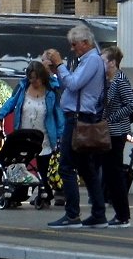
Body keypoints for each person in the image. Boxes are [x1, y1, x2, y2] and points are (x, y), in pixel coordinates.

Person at [45, 24, 107, 228]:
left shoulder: (91, 60)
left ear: (85, 43)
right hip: (81, 117)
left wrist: (59, 64)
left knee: (66, 166)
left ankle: (72, 215)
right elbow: (71, 85)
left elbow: (73, 84)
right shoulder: (88, 60)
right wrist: (57, 70)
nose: (72, 48)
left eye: (74, 44)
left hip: (78, 119)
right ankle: (98, 214)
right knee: (86, 168)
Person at [0, 59, 61, 202]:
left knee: (44, 169)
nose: (34, 83)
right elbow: (11, 102)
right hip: (23, 136)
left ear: (43, 78)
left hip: (44, 137)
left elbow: (58, 114)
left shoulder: (51, 92)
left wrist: (60, 135)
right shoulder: (22, 88)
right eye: (31, 79)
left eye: (36, 80)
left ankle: (45, 195)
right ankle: (17, 195)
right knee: (20, 167)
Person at [99, 46, 133, 227]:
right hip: (108, 132)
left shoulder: (120, 80)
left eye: (103, 61)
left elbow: (131, 105)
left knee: (113, 173)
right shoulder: (107, 80)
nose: (100, 64)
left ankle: (122, 215)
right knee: (109, 172)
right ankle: (119, 213)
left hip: (116, 132)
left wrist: (109, 118)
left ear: (112, 63)